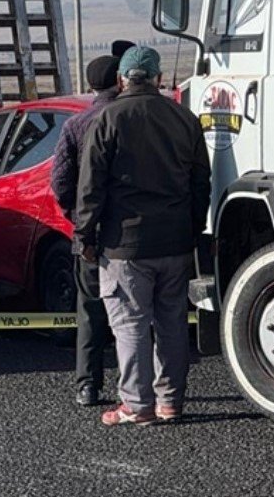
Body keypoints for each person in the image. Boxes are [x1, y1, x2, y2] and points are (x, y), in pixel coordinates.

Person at [76, 45, 210, 426]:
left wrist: (83, 234)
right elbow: (202, 180)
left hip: (124, 244)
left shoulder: (108, 119)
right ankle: (171, 402)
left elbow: (91, 187)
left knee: (131, 323)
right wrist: (194, 226)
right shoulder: (184, 118)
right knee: (171, 323)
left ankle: (137, 405)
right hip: (176, 240)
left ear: (121, 80)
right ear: (159, 78)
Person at [50, 53, 123, 407]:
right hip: (133, 233)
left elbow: (60, 182)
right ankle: (140, 385)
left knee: (90, 311)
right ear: (119, 81)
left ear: (92, 85)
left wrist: (77, 218)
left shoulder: (76, 125)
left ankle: (88, 386)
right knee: (140, 313)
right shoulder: (130, 119)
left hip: (91, 234)